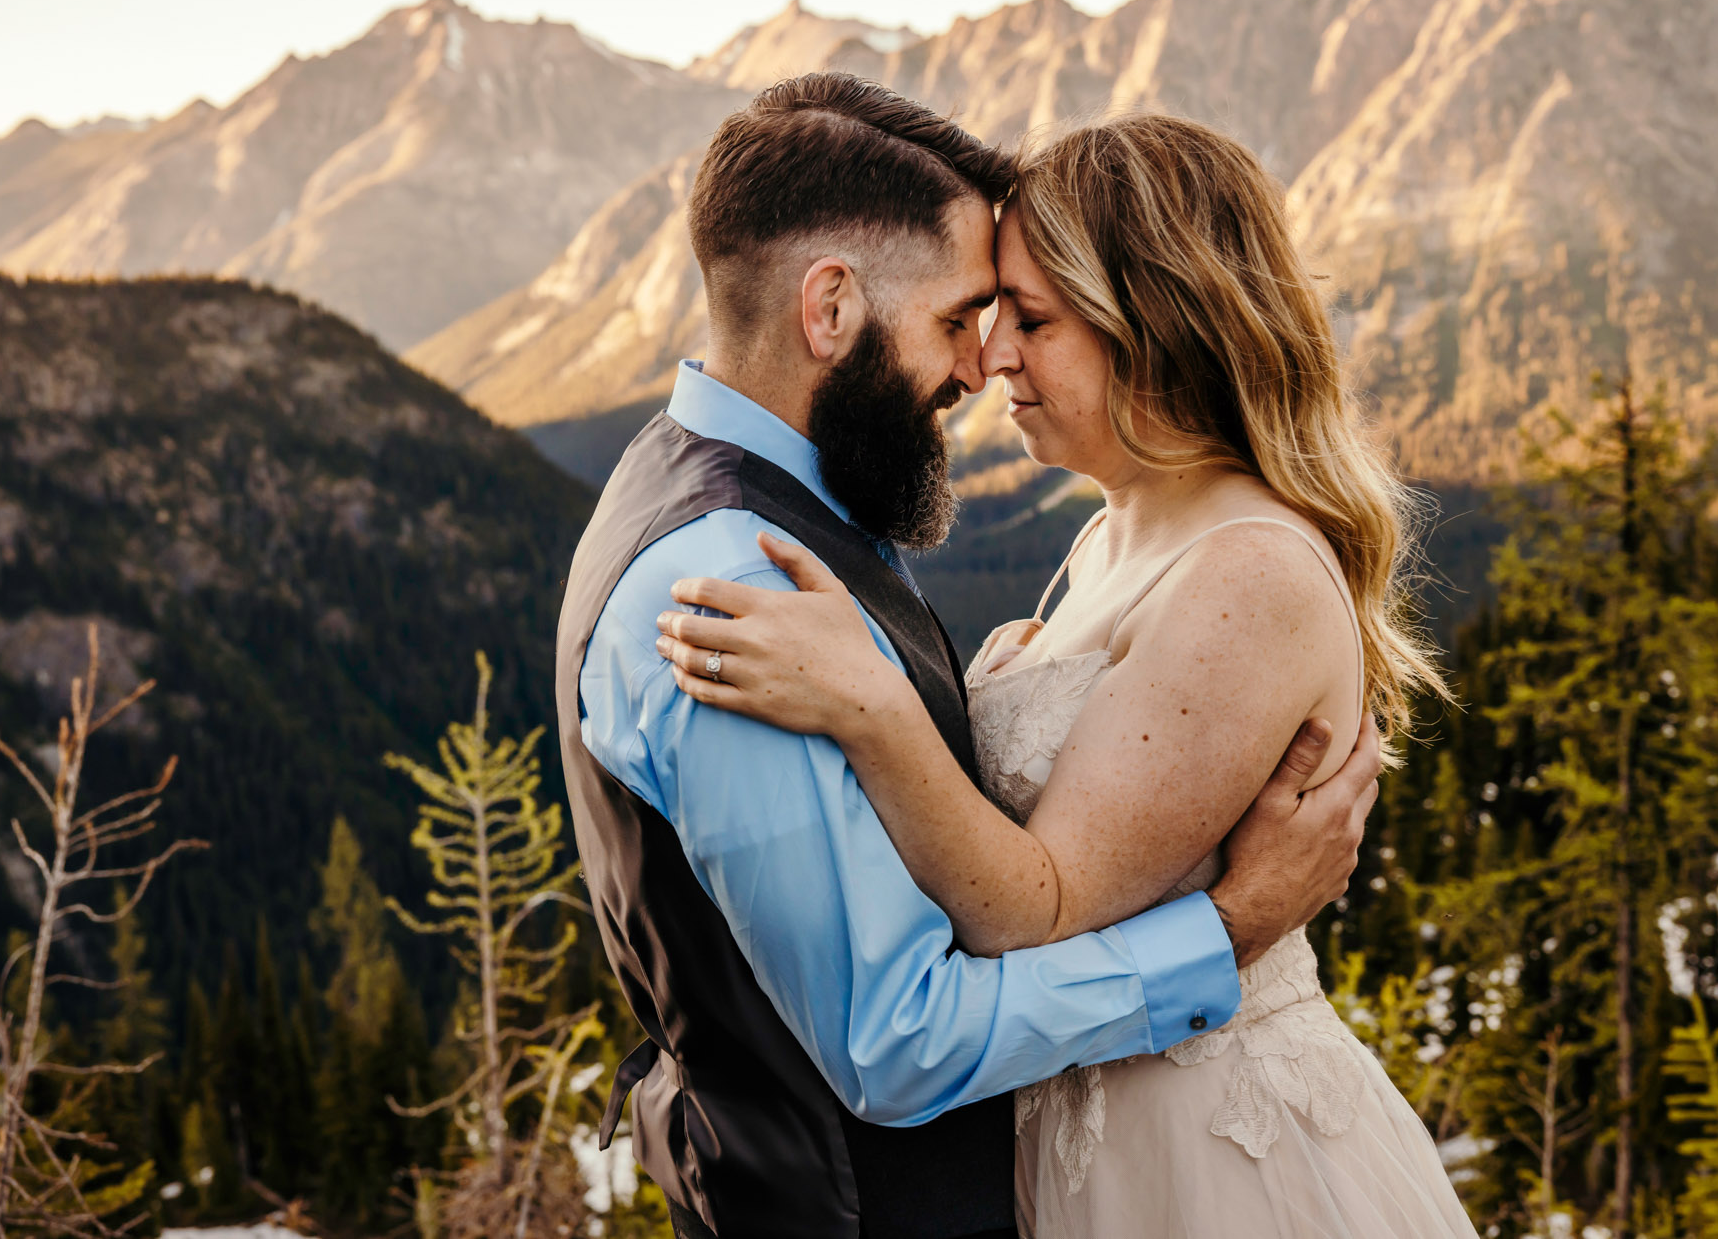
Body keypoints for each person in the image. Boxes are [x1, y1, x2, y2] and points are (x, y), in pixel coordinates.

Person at [557, 75, 1387, 1239]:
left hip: (1199, 1163)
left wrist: (882, 711)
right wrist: (1228, 925)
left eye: (1023, 319)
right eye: (965, 317)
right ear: (829, 307)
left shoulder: (756, 509)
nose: (982, 361)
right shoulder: (743, 586)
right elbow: (894, 1038)